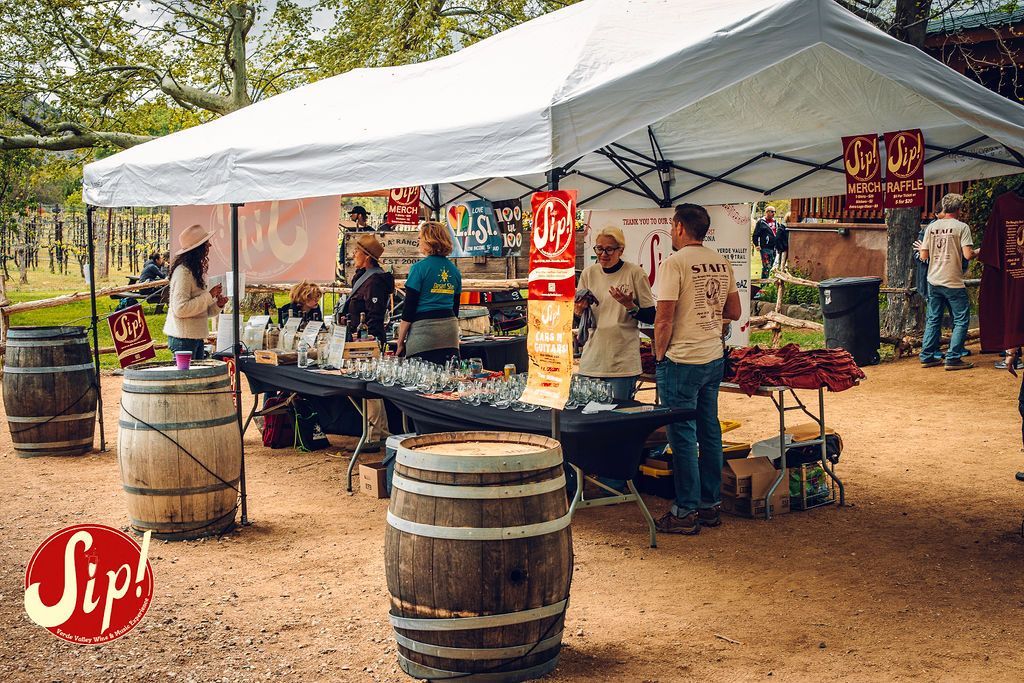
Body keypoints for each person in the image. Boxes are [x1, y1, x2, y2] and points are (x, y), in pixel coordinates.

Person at [653, 204, 741, 535]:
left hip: (682, 360)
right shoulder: (720, 261)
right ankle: (710, 505)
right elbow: (734, 309)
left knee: (683, 436)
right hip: (712, 358)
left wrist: (661, 356)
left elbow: (663, 319)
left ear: (678, 228)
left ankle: (686, 511)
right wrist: (709, 320)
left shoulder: (673, 264)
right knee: (709, 430)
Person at [575, 226, 656, 400]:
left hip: (622, 363)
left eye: (609, 249)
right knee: (587, 418)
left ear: (621, 250)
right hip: (591, 360)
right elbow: (580, 318)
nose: (603, 254)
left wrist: (630, 305)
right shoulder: (589, 273)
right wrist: (578, 311)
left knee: (616, 420)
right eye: (599, 248)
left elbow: (651, 316)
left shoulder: (635, 273)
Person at [918, 193, 978, 370]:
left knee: (933, 319)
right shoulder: (962, 227)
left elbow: (923, 255)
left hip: (933, 280)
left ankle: (927, 356)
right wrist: (980, 251)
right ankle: (953, 357)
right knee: (960, 319)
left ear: (943, 207)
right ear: (959, 209)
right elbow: (968, 254)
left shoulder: (931, 227)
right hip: (953, 281)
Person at [395, 221, 462, 364]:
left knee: (421, 376)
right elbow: (455, 309)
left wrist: (400, 341)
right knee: (448, 376)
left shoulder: (419, 268)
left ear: (429, 240)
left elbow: (409, 309)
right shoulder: (454, 270)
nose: (418, 241)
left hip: (424, 331)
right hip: (449, 330)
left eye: (420, 238)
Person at [163, 224, 227, 360]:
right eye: (206, 243)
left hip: (193, 338)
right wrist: (209, 296)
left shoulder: (192, 271)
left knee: (196, 380)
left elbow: (201, 312)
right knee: (187, 381)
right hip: (183, 340)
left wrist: (217, 305)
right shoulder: (183, 273)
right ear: (198, 248)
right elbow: (181, 309)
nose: (209, 246)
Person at [339, 234, 395, 345]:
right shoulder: (363, 277)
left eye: (357, 251)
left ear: (367, 257)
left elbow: (374, 317)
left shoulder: (375, 282)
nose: (353, 254)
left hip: (366, 342)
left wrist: (365, 342)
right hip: (358, 339)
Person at [752, 205, 788, 278]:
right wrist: (757, 245)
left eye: (774, 212)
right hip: (765, 248)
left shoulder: (776, 222)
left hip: (774, 248)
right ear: (767, 212)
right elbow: (755, 234)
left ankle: (768, 283)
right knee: (766, 266)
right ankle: (764, 284)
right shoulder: (761, 222)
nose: (773, 213)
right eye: (772, 212)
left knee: (772, 266)